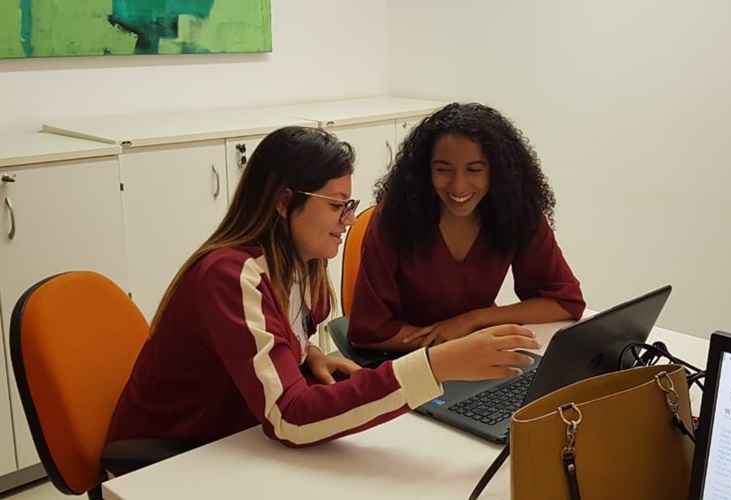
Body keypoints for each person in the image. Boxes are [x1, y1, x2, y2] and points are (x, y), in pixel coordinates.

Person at [107, 126, 540, 448]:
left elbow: (266, 342)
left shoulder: (302, 265)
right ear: (283, 203)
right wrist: (434, 365)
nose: (348, 220)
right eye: (336, 205)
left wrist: (304, 353)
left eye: (348, 205)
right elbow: (290, 419)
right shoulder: (230, 274)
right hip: (171, 458)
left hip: (237, 437)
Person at [349, 103, 585, 351]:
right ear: (424, 170)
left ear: (498, 171)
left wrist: (472, 320)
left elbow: (565, 302)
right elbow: (368, 331)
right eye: (443, 170)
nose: (458, 186)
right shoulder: (394, 218)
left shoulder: (517, 211)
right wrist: (455, 346)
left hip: (472, 349)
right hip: (408, 357)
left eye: (474, 170)